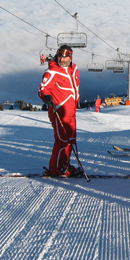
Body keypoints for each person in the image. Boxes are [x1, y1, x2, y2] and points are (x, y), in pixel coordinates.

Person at [38, 45, 81, 176]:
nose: (62, 60)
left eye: (65, 57)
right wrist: (46, 97)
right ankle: (55, 169)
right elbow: (42, 89)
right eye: (60, 56)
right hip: (59, 111)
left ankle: (64, 165)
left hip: (71, 112)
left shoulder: (74, 70)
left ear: (70, 58)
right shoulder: (52, 72)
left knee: (70, 140)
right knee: (62, 140)